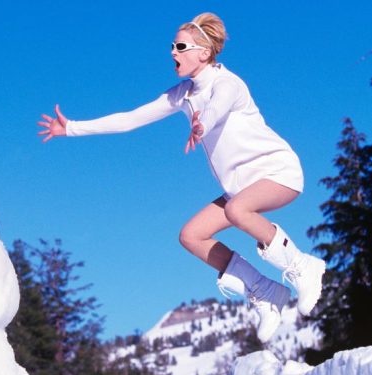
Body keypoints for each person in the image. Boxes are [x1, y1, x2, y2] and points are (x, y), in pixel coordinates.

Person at [37, 12, 325, 344]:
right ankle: (264, 290)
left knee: (237, 211)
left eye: (181, 46)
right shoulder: (182, 95)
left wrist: (201, 125)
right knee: (191, 236)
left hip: (277, 171)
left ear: (204, 52)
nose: (173, 52)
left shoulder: (228, 83)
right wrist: (71, 128)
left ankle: (303, 266)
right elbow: (130, 119)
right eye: (172, 46)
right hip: (240, 188)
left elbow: (216, 108)